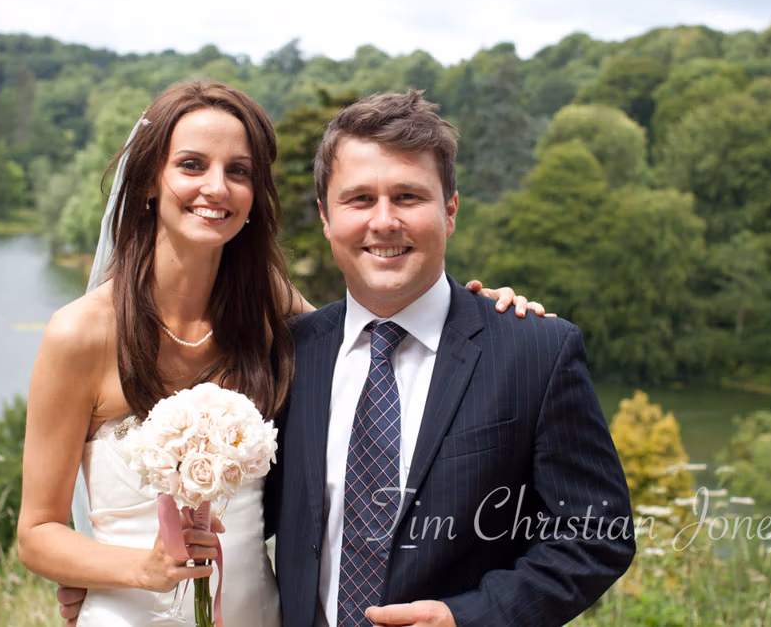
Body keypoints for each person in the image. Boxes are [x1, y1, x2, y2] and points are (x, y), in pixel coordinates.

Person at [24, 81, 542, 627]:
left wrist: (478, 316)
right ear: (152, 180)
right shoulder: (79, 335)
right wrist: (138, 568)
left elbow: (370, 346)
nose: (216, 188)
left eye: (239, 171)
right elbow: (37, 535)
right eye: (192, 165)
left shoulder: (269, 309)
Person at [267, 90, 635, 627]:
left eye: (409, 197)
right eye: (360, 199)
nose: (384, 221)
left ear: (451, 210)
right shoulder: (288, 355)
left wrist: (469, 618)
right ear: (326, 216)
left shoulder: (536, 351)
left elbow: (596, 536)